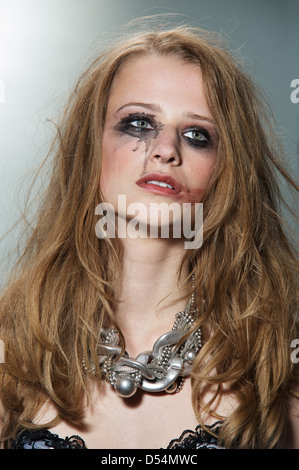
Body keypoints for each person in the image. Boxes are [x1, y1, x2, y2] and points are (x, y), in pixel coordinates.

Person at [0, 17, 298, 450]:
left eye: (197, 135)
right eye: (139, 123)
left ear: (227, 171)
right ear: (91, 146)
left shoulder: (275, 376)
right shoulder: (12, 356)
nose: (165, 149)